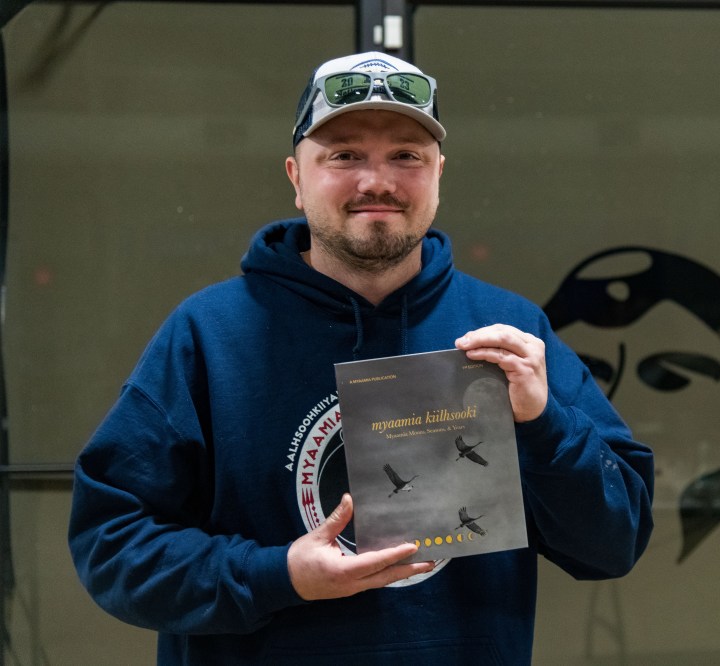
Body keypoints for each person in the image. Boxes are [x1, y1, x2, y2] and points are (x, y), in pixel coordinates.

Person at [68, 51, 654, 665]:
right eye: (344, 155)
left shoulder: (508, 333)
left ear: (438, 174)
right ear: (296, 178)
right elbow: (111, 546)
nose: (377, 182)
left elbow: (613, 545)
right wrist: (277, 575)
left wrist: (544, 426)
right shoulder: (209, 335)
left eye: (406, 155)